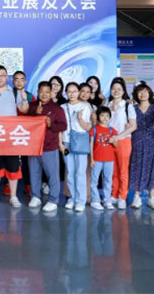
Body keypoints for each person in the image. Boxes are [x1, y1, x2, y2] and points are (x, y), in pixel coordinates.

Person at [0, 65, 29, 208]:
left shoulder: (14, 92)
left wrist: (25, 100)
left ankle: (14, 196)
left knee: (13, 167)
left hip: (11, 136)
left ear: (7, 77)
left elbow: (24, 110)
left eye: (2, 75)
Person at [26, 81, 67, 213]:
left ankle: (53, 200)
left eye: (47, 92)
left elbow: (63, 125)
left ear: (51, 93)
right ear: (37, 92)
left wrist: (50, 124)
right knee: (34, 173)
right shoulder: (32, 106)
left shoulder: (57, 109)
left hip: (49, 146)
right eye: (41, 92)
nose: (44, 94)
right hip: (33, 146)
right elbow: (25, 124)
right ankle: (35, 196)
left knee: (52, 175)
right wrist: (35, 114)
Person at [129, 84, 154, 210]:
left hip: (151, 141)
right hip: (136, 141)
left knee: (153, 168)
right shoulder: (132, 108)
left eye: (145, 91)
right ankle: (136, 197)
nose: (142, 94)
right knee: (137, 167)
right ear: (136, 95)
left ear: (150, 94)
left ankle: (151, 198)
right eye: (140, 92)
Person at [61, 82, 92, 212]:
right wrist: (60, 144)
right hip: (66, 142)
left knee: (80, 173)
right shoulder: (62, 107)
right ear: (66, 93)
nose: (72, 94)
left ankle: (80, 200)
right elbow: (59, 128)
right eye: (69, 91)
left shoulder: (85, 107)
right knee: (70, 172)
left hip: (80, 143)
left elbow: (88, 127)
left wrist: (80, 119)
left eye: (74, 91)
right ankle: (72, 198)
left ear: (78, 92)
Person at [107, 77, 137, 210]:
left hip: (123, 141)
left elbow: (133, 126)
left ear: (124, 91)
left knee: (123, 170)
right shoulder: (107, 105)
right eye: (114, 89)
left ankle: (122, 196)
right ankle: (114, 194)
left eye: (119, 89)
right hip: (109, 142)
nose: (116, 91)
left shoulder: (127, 106)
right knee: (112, 170)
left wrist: (118, 137)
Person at [89, 106, 118, 211]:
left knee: (108, 180)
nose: (105, 118)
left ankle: (107, 200)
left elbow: (116, 145)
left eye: (107, 116)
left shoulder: (112, 130)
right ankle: (95, 200)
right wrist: (91, 159)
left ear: (110, 117)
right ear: (98, 117)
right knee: (94, 180)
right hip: (97, 159)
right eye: (102, 115)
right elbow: (91, 145)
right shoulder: (94, 129)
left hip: (109, 160)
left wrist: (113, 141)